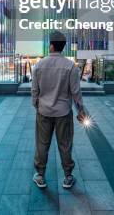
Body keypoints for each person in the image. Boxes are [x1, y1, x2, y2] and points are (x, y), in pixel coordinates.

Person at [31, 30, 86, 190]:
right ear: (63, 47)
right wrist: (80, 110)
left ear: (52, 46)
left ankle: (40, 175)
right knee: (65, 144)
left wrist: (37, 105)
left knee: (42, 144)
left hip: (44, 112)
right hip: (63, 112)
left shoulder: (39, 65)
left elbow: (35, 91)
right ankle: (68, 176)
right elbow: (76, 92)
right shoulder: (70, 66)